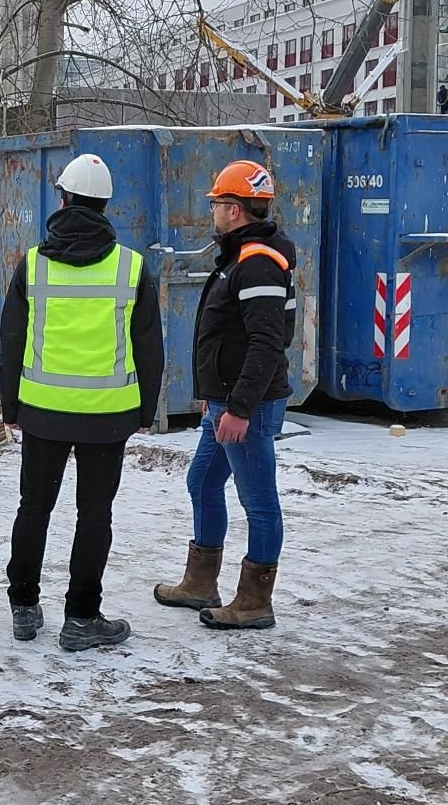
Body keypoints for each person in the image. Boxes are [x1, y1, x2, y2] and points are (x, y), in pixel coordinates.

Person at [0, 154, 164, 652]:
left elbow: (10, 341)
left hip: (43, 412)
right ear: (106, 205)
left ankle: (24, 607)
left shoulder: (32, 263)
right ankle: (82, 618)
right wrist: (143, 410)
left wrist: (12, 408)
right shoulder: (131, 267)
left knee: (34, 508)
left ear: (63, 199)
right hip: (108, 417)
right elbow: (149, 347)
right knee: (94, 516)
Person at [153, 159, 296, 631]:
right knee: (202, 483)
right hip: (226, 401)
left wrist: (237, 407)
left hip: (244, 406)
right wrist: (213, 395)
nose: (212, 211)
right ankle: (200, 585)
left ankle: (254, 601)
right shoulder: (242, 257)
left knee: (259, 501)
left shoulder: (257, 264)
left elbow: (267, 343)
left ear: (234, 210)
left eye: (217, 203)